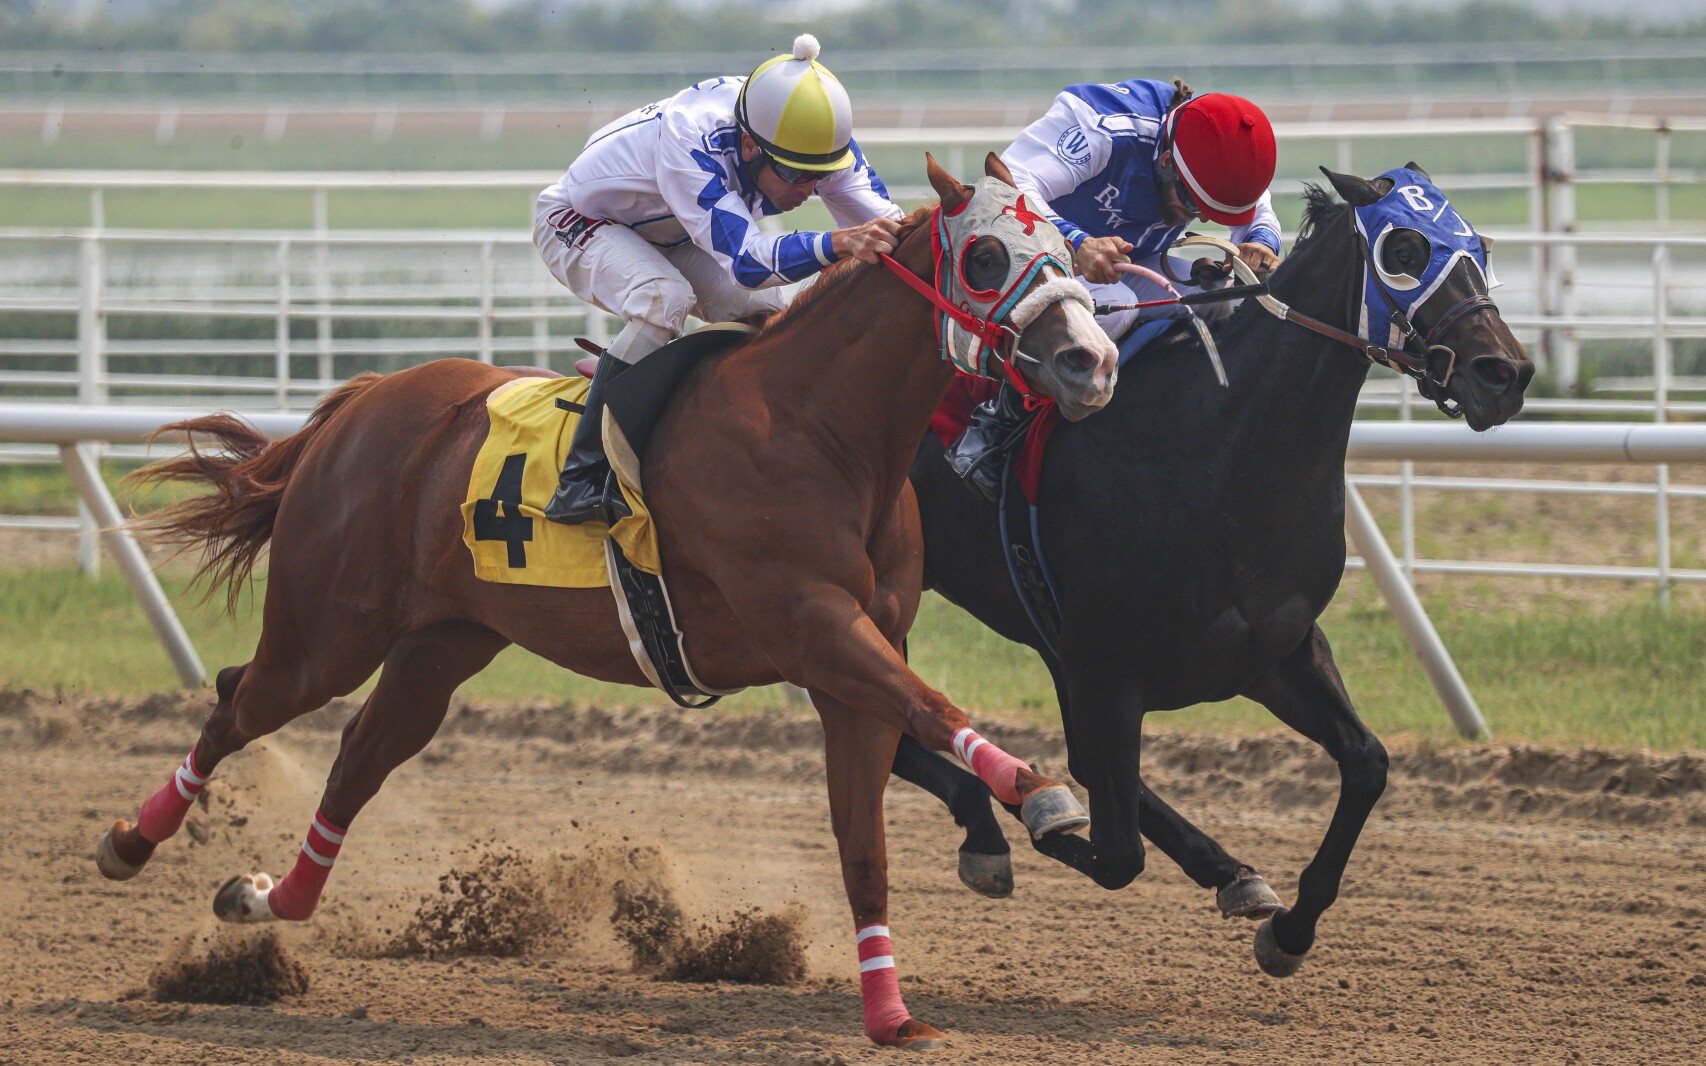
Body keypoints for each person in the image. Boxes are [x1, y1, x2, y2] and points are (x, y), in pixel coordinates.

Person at [534, 35, 906, 525]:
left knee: (770, 316)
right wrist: (837, 243)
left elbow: (893, 224)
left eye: (820, 177)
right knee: (661, 298)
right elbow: (748, 262)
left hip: (674, 228)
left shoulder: (810, 141)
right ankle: (581, 479)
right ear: (750, 145)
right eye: (795, 175)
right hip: (582, 220)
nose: (808, 190)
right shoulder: (692, 140)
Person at [946, 78, 1283, 500]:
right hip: (1044, 269)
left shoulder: (1216, 149)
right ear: (1165, 161)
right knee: (1119, 304)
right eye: (1193, 204)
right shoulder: (1101, 131)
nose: (1197, 216)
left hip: (1127, 262)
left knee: (1225, 296)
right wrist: (1077, 242)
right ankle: (994, 421)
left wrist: (1261, 244)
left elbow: (1258, 209)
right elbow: (1008, 187)